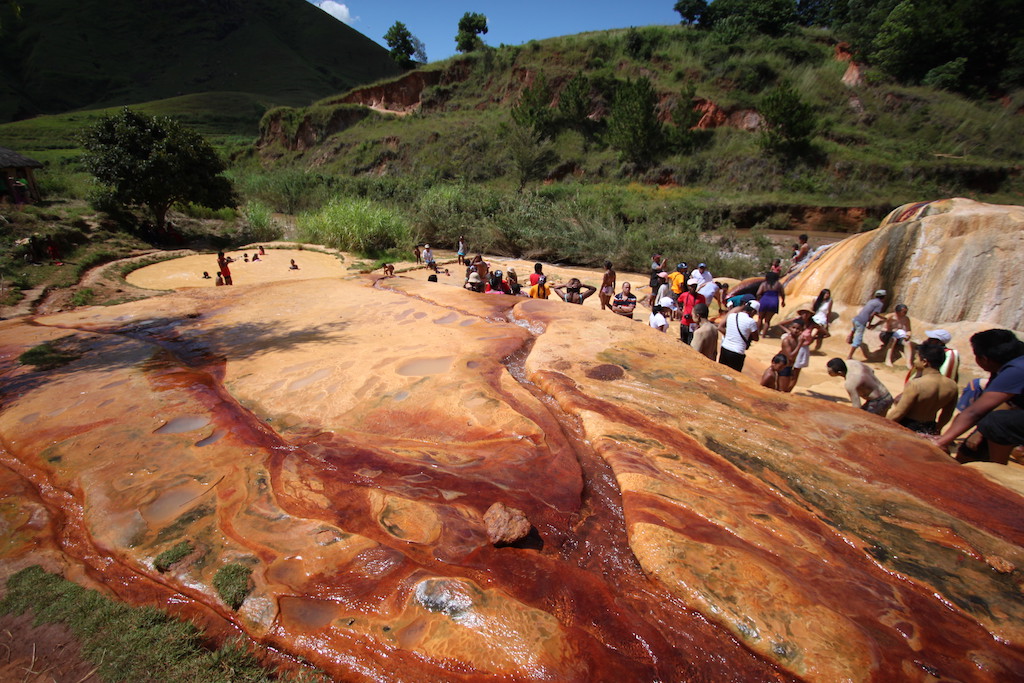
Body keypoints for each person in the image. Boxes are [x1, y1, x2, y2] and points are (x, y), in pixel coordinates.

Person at [931, 329, 1024, 464]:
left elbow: (975, 412)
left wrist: (941, 441)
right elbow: (988, 405)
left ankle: (997, 470)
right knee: (972, 447)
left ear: (984, 359)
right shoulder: (1010, 356)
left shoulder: (1016, 370)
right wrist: (979, 431)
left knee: (997, 422)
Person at [888, 345, 958, 435]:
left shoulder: (916, 384)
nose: (914, 361)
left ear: (924, 362)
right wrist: (937, 429)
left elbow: (899, 412)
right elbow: (947, 414)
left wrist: (881, 424)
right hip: (929, 427)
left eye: (916, 358)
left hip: (908, 426)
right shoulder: (952, 386)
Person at [826, 358, 893, 416]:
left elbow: (856, 407)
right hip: (885, 395)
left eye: (829, 372)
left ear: (840, 373)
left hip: (880, 401)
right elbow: (872, 370)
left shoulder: (850, 383)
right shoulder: (852, 362)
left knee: (867, 422)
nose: (827, 372)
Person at [718, 300, 760, 371]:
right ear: (753, 311)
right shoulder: (751, 322)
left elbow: (721, 327)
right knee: (734, 375)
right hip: (737, 352)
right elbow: (756, 338)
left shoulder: (731, 316)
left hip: (725, 348)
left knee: (721, 372)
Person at [847, 290, 888, 360]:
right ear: (884, 297)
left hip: (856, 319)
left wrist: (881, 317)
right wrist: (869, 323)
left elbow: (871, 312)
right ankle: (850, 356)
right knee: (858, 339)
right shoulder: (879, 304)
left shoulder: (871, 301)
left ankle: (850, 336)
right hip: (862, 322)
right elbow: (873, 314)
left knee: (855, 328)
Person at [755, 271, 786, 336]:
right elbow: (782, 294)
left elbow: (758, 293)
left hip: (764, 300)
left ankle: (757, 334)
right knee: (767, 321)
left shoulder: (764, 284)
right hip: (774, 302)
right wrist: (783, 301)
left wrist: (758, 300)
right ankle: (763, 335)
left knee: (760, 318)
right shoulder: (778, 284)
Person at [677, 278, 706, 344]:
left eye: (695, 286)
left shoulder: (701, 297)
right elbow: (678, 301)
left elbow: (703, 309)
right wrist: (679, 310)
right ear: (688, 286)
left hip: (694, 323)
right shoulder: (684, 295)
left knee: (691, 341)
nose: (693, 288)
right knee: (683, 340)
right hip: (684, 322)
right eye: (691, 286)